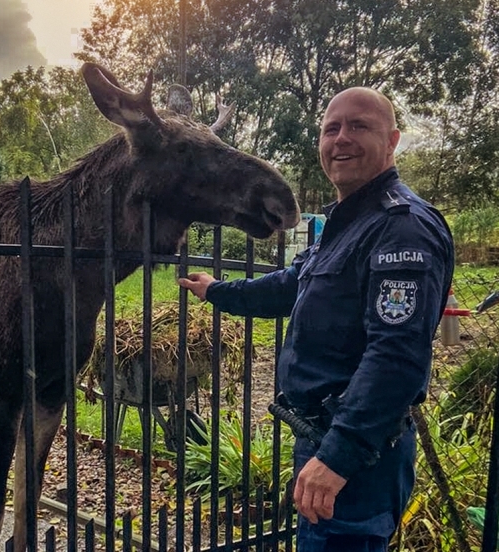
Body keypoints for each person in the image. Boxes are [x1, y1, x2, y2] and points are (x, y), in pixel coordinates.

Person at [179, 87, 454, 551]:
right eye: (332, 129)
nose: (341, 138)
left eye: (359, 126)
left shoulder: (401, 228)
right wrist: (216, 291)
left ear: (393, 141)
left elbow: (397, 357)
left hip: (357, 456)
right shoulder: (348, 225)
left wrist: (338, 458)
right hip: (327, 440)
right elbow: (289, 287)